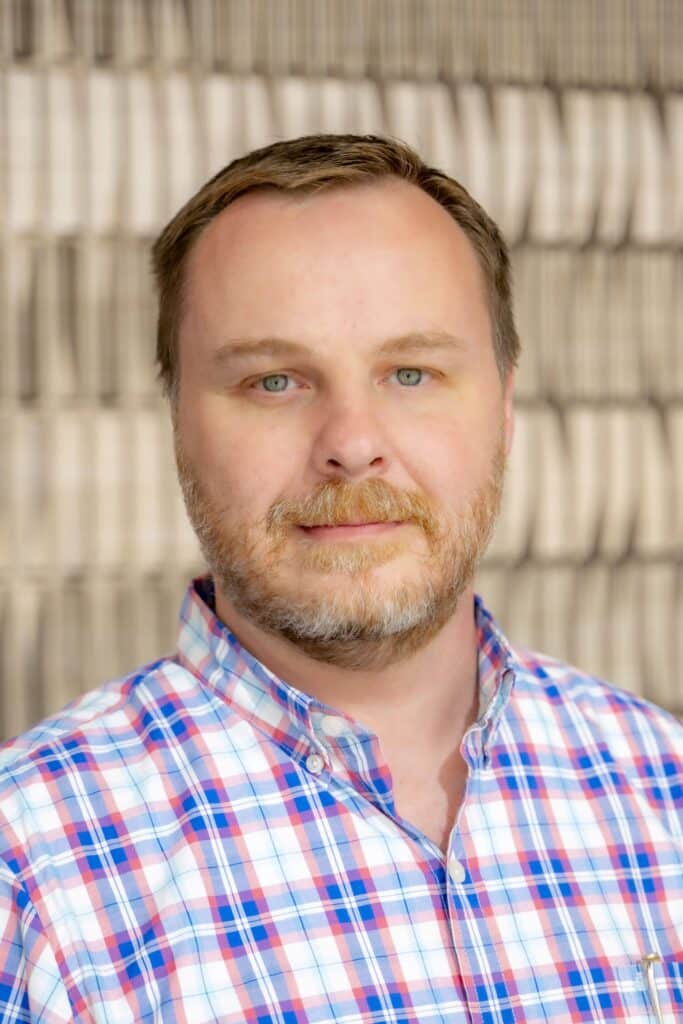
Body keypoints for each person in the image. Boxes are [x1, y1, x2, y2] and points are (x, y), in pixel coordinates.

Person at [0, 134, 680, 1024]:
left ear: (505, 406)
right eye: (275, 380)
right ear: (176, 421)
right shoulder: (28, 878)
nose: (352, 441)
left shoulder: (665, 790)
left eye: (411, 372)